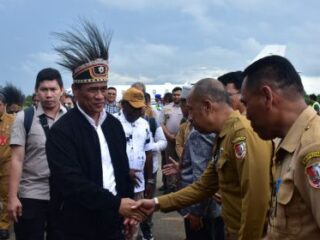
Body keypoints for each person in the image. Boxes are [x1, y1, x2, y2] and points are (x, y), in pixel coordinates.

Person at [134, 78, 272, 240]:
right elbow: (203, 186)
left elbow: (258, 202)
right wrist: (156, 203)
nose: (189, 118)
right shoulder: (225, 135)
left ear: (207, 106)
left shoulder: (241, 135)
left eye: (192, 110)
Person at [46, 21, 139, 240]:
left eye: (103, 89)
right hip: (76, 227)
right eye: (93, 90)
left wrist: (129, 212)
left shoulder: (114, 125)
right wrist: (118, 204)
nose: (100, 96)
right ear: (76, 90)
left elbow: (122, 174)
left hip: (113, 223)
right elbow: (72, 183)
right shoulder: (62, 131)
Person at [241, 55, 320, 239]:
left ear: (267, 97)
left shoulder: (313, 148)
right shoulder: (286, 145)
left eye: (246, 103)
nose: (245, 115)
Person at [8, 68, 67, 240]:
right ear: (36, 91)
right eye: (44, 89)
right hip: (31, 194)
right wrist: (12, 197)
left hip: (63, 195)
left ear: (61, 90)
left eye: (53, 89)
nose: (49, 95)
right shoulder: (23, 118)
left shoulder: (71, 118)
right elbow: (17, 160)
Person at [160, 87, 183, 193]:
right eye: (174, 94)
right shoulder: (166, 108)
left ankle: (180, 187)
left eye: (178, 95)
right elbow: (161, 123)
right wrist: (169, 135)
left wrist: (179, 137)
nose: (176, 96)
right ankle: (170, 187)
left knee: (182, 162)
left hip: (182, 140)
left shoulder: (185, 107)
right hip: (169, 139)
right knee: (168, 163)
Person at [0, 88, 16, 239]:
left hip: (6, 164)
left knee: (5, 195)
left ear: (4, 105)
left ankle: (4, 225)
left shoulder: (13, 120)